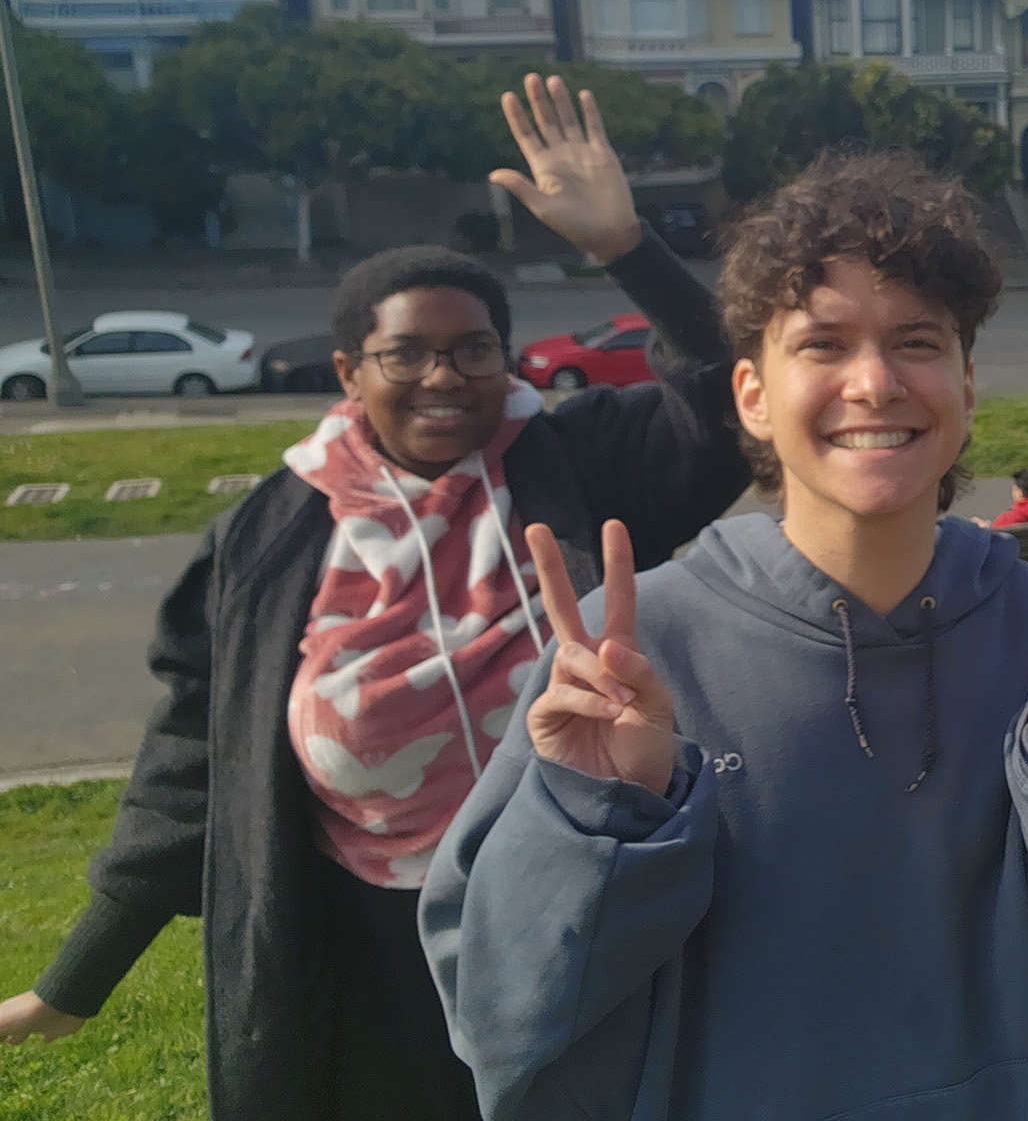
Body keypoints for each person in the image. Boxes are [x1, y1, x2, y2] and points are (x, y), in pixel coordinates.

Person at [0, 75, 751, 1121]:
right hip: (359, 944)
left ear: (507, 357)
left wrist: (626, 246)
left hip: (568, 912)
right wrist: (71, 981)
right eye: (407, 352)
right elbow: (193, 757)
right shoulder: (271, 534)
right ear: (352, 368)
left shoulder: (582, 459)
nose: (444, 376)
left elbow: (733, 399)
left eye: (473, 348)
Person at [419, 151, 1028, 1121]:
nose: (876, 381)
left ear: (967, 384)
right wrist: (599, 818)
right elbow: (502, 1016)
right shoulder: (630, 655)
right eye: (826, 344)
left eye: (917, 341)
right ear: (752, 393)